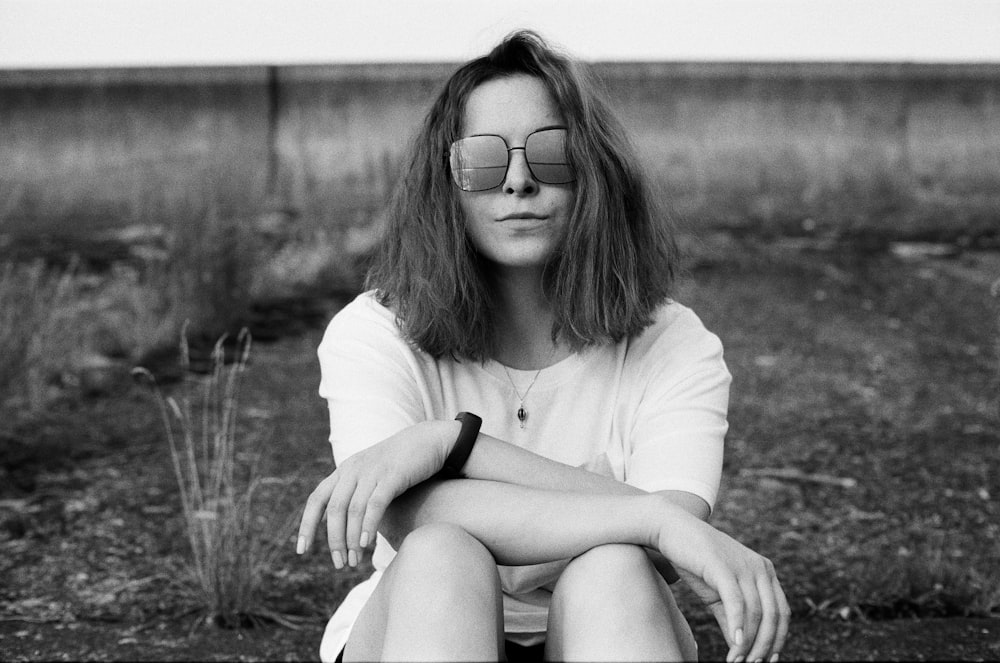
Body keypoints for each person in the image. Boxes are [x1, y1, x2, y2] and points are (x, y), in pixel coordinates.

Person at [296, 30, 790, 663]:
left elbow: (665, 544)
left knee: (612, 566)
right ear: (445, 184)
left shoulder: (673, 343)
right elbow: (404, 515)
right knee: (443, 551)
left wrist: (450, 445)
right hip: (419, 625)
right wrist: (651, 519)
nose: (519, 182)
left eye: (552, 154)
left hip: (610, 626)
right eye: (483, 160)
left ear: (595, 173)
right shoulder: (376, 332)